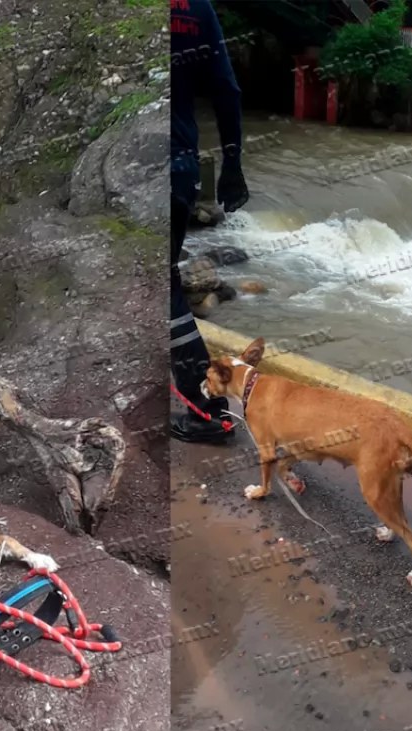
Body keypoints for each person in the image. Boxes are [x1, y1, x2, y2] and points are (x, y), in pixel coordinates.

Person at [170, 0, 250, 443]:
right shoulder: (196, 8)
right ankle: (205, 406)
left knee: (160, 293)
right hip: (178, 170)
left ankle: (205, 411)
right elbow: (225, 89)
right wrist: (232, 165)